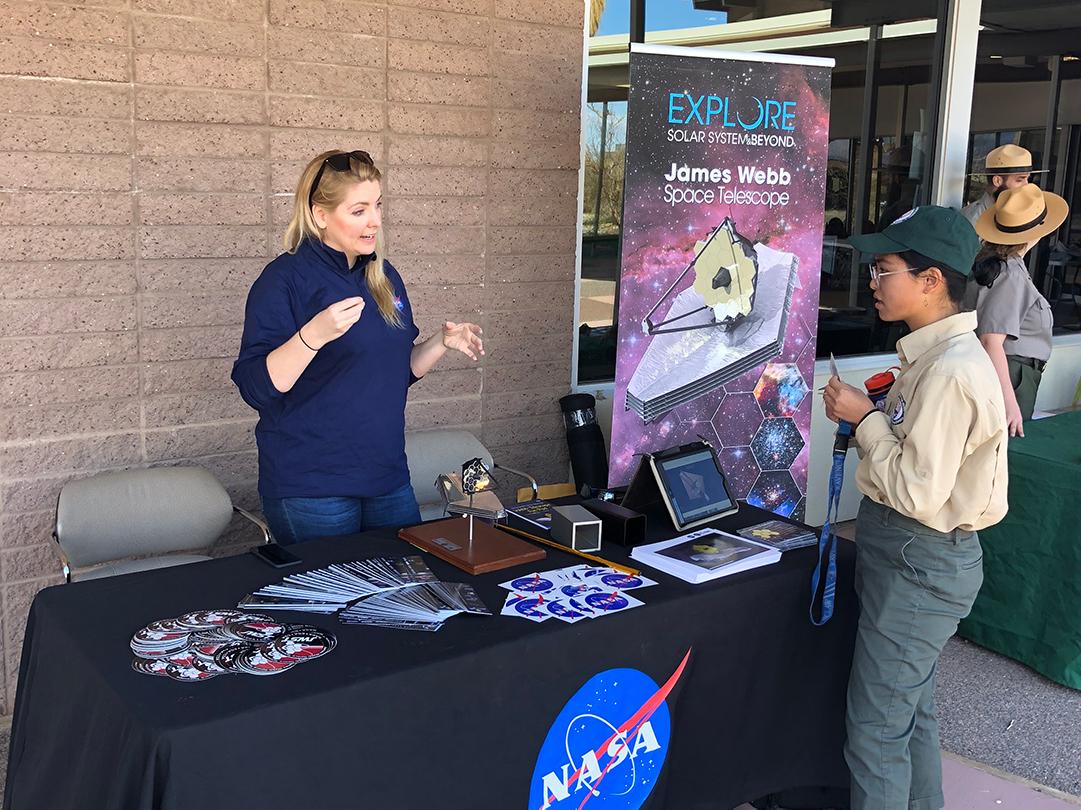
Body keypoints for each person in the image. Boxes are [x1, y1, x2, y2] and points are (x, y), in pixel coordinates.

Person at [823, 206, 1008, 810]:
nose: (872, 282)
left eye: (884, 269)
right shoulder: (933, 359)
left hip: (918, 558)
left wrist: (866, 419)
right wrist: (877, 417)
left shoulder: (952, 370)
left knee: (876, 732)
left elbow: (918, 494)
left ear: (931, 281)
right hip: (911, 555)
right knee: (910, 714)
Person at [231, 150, 484, 544]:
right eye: (359, 210)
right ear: (320, 215)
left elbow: (392, 374)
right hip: (312, 488)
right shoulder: (283, 280)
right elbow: (256, 388)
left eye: (378, 205)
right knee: (333, 603)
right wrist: (312, 336)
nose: (375, 221)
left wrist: (440, 343)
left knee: (404, 592)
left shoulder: (382, 276)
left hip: (387, 478)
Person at [971, 184, 1067, 434]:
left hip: (1013, 372)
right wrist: (1009, 402)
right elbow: (991, 340)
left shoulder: (1006, 267)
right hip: (1011, 373)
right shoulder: (1009, 271)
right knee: (1002, 454)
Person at [961, 143, 1044, 225]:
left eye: (1027, 179)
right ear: (997, 181)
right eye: (1019, 180)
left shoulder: (1024, 215)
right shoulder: (971, 221)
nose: (1026, 185)